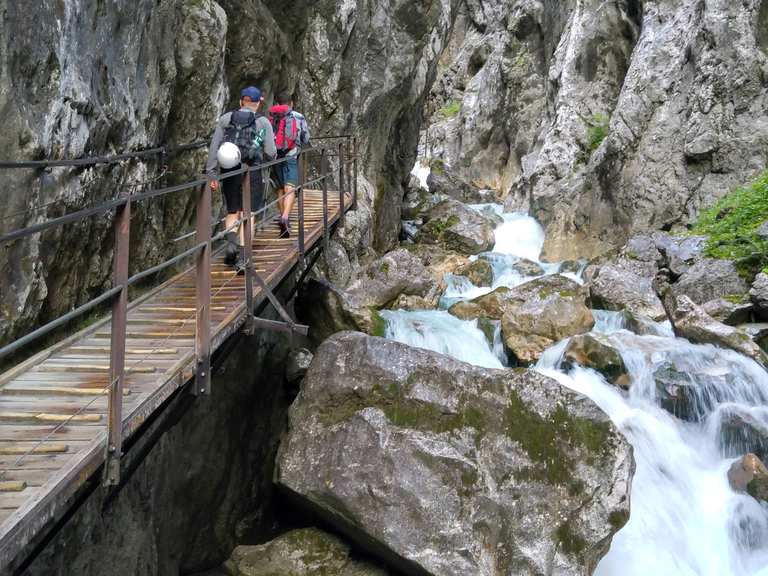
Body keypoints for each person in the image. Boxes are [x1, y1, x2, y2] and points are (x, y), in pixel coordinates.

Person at [206, 86, 276, 270]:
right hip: (252, 171)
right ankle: (244, 258)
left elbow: (215, 147)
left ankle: (230, 246)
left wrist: (211, 172)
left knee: (232, 211)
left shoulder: (226, 119)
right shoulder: (262, 122)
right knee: (249, 214)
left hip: (230, 170)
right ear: (258, 103)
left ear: (241, 102)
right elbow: (271, 151)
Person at [268, 91, 311, 238]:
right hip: (291, 155)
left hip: (275, 156)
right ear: (291, 103)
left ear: (277, 103)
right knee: (290, 187)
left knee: (280, 188)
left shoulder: (272, 117)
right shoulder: (298, 117)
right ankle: (285, 217)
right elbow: (306, 137)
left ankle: (282, 216)